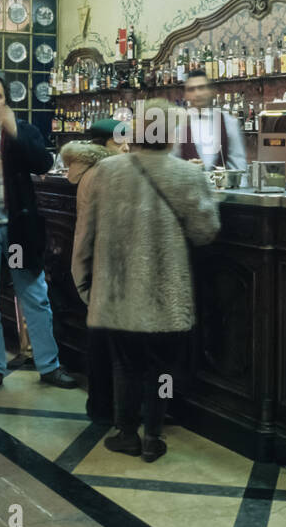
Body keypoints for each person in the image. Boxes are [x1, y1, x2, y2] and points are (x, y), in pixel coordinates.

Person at [72, 98, 220, 462]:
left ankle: (126, 433)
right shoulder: (188, 175)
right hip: (165, 291)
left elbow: (86, 231)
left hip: (119, 287)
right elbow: (205, 231)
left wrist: (83, 279)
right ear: (172, 135)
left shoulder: (107, 172)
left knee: (126, 364)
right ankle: (154, 435)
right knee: (162, 366)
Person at [0, 73, 78, 395]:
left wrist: (15, 131)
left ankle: (49, 365)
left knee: (33, 295)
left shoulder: (22, 131)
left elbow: (43, 163)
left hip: (19, 226)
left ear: (7, 101)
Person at [58, 119, 121, 424]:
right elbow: (87, 231)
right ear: (102, 144)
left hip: (97, 269)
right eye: (119, 141)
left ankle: (101, 407)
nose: (126, 145)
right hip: (104, 269)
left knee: (100, 339)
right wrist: (82, 277)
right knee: (108, 342)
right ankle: (106, 408)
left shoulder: (89, 171)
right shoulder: (104, 174)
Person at [173, 69, 246, 173]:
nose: (197, 93)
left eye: (201, 88)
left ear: (212, 91)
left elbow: (239, 165)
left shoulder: (229, 122)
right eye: (191, 89)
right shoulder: (178, 125)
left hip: (222, 188)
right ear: (185, 95)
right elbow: (170, 164)